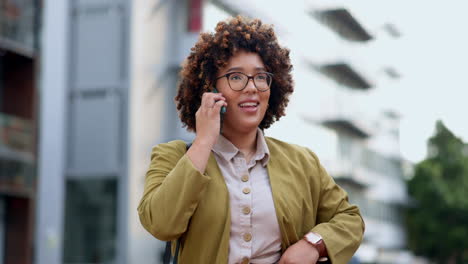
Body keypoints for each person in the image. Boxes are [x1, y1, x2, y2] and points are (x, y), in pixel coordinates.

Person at [138, 16, 365, 264]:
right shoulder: (172, 156)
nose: (251, 87)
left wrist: (312, 245)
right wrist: (204, 141)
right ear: (210, 89)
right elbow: (160, 224)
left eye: (260, 77)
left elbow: (350, 219)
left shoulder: (302, 161)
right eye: (236, 77)